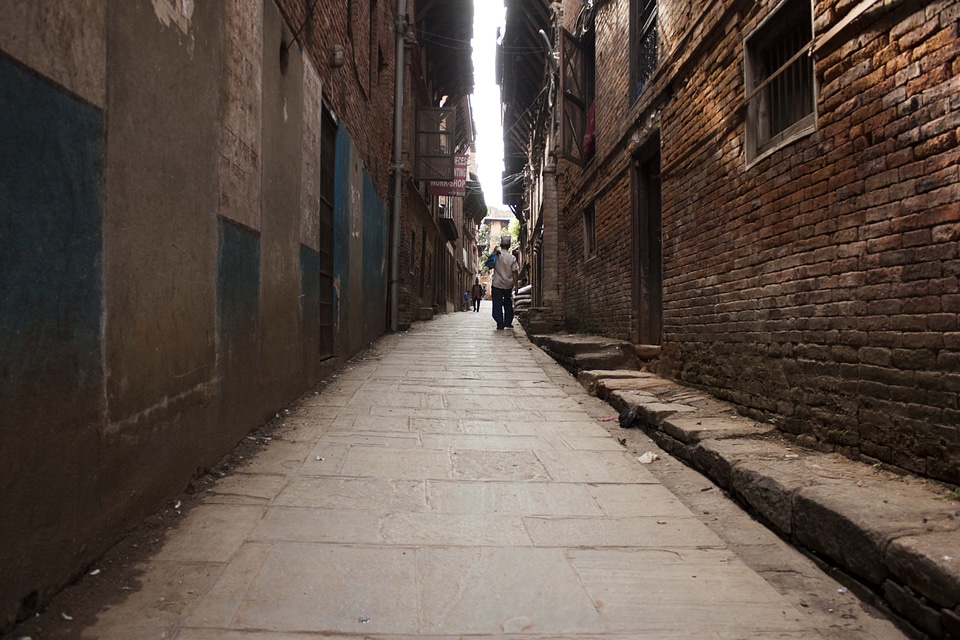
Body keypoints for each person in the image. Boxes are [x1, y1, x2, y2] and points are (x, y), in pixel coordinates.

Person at [490, 236, 519, 330]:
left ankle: (499, 323)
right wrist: (516, 285)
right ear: (509, 246)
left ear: (501, 245)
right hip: (508, 285)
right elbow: (515, 273)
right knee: (508, 303)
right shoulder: (512, 258)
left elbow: (490, 266)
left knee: (497, 303)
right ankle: (507, 322)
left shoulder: (496, 256)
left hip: (497, 284)